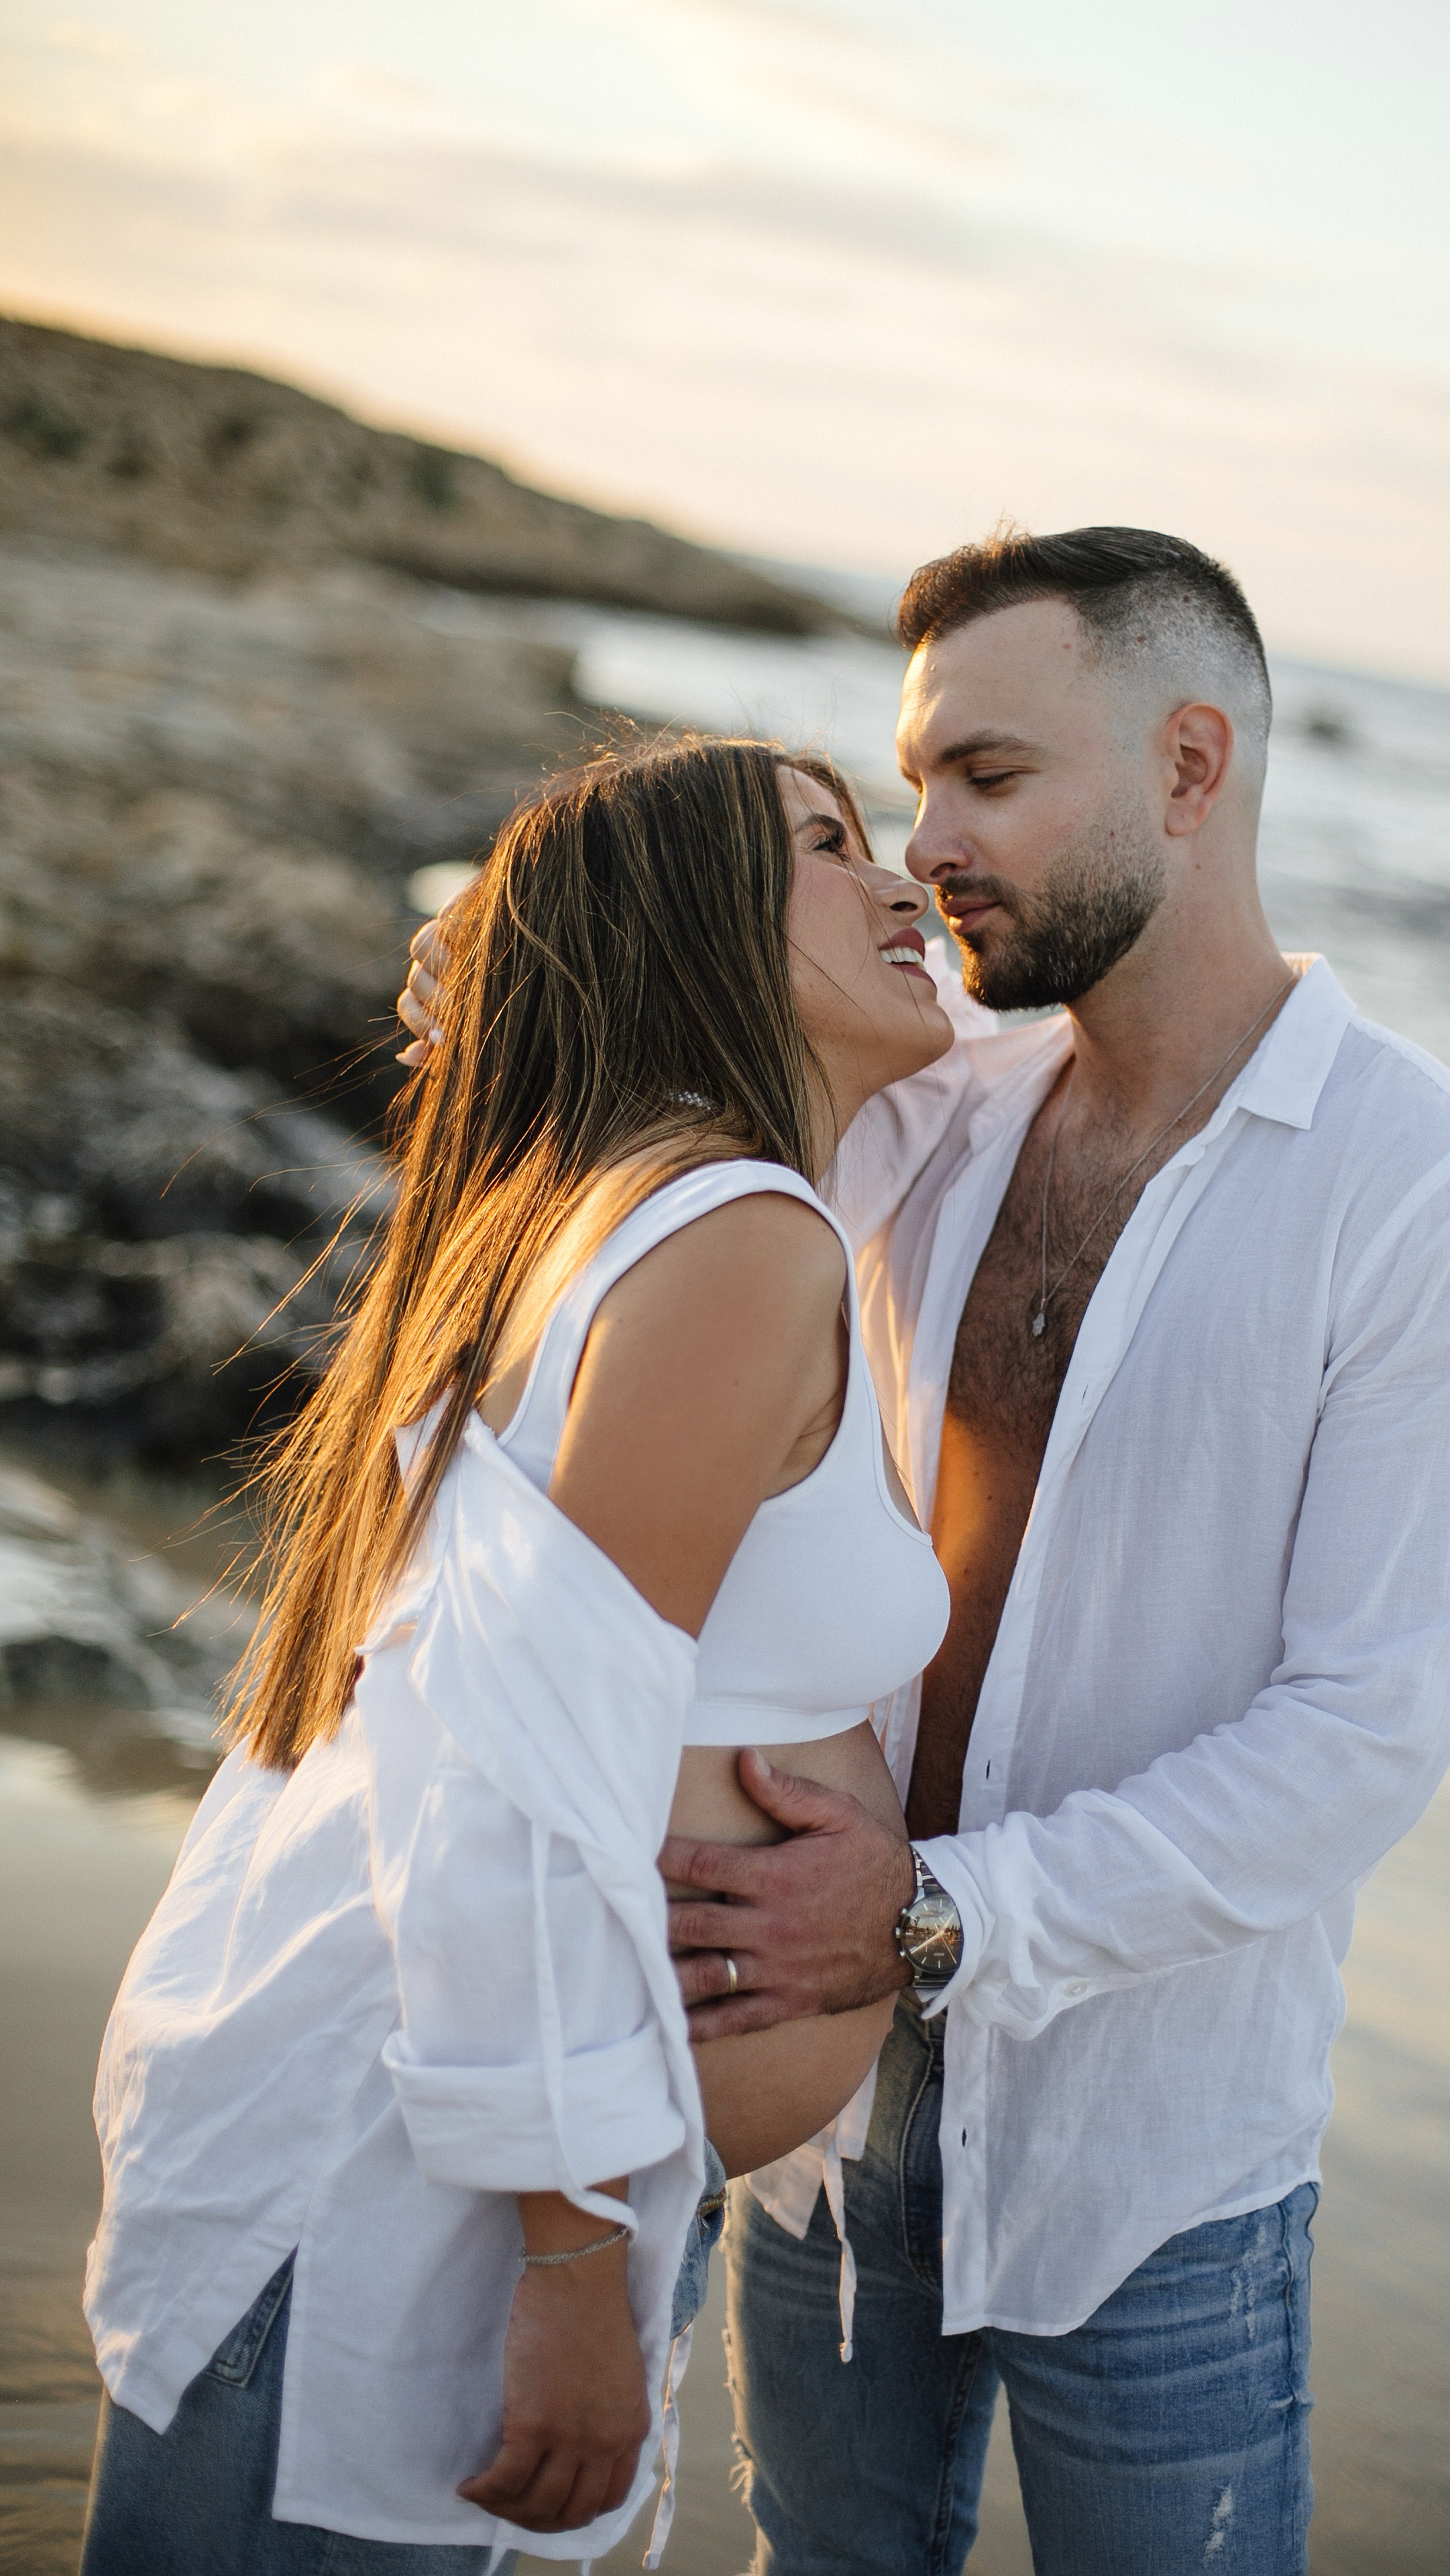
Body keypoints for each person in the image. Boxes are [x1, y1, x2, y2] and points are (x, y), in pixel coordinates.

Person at [641, 529, 1450, 2575]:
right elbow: (638, 1151)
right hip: (808, 2102)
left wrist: (929, 1915)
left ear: (1187, 766)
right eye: (910, 788)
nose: (926, 847)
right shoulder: (925, 1123)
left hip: (1152, 2164)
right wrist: (504, 968)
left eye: (987, 777)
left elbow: (1360, 1741)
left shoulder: (1437, 1202)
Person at [78, 738, 954, 2573]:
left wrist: (520, 920)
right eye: (830, 847)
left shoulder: (619, 1195)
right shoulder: (734, 1243)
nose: (908, 889)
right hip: (437, 2214)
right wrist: (568, 2249)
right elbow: (515, 1751)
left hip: (459, 2162)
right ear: (696, 924)